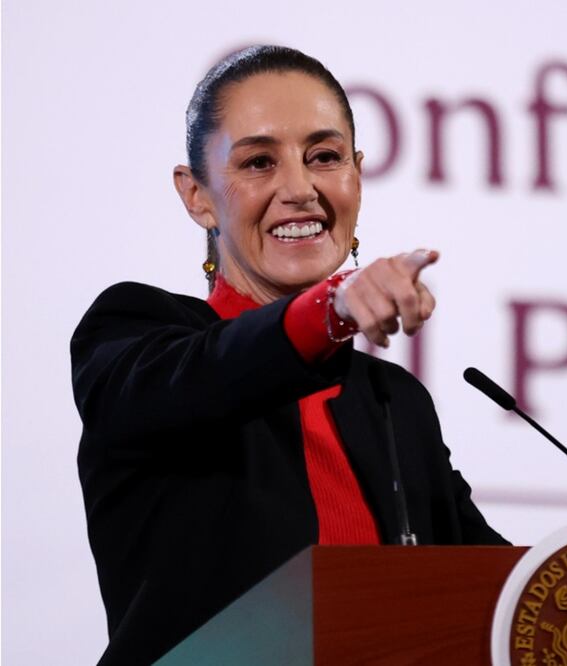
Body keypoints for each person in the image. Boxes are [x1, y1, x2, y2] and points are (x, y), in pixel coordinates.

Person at [71, 45, 506, 666]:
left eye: (325, 157)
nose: (300, 189)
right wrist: (332, 309)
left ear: (357, 174)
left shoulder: (395, 403)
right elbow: (211, 374)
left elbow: (500, 589)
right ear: (196, 195)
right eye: (258, 162)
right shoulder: (135, 332)